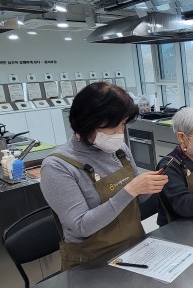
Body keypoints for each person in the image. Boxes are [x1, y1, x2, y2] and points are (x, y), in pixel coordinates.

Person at [40, 82, 168, 270]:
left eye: (123, 125)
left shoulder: (119, 150)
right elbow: (82, 226)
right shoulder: (57, 166)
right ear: (87, 123)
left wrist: (151, 185)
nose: (120, 133)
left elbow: (138, 199)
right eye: (113, 127)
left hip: (133, 247)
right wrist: (130, 190)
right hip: (91, 262)